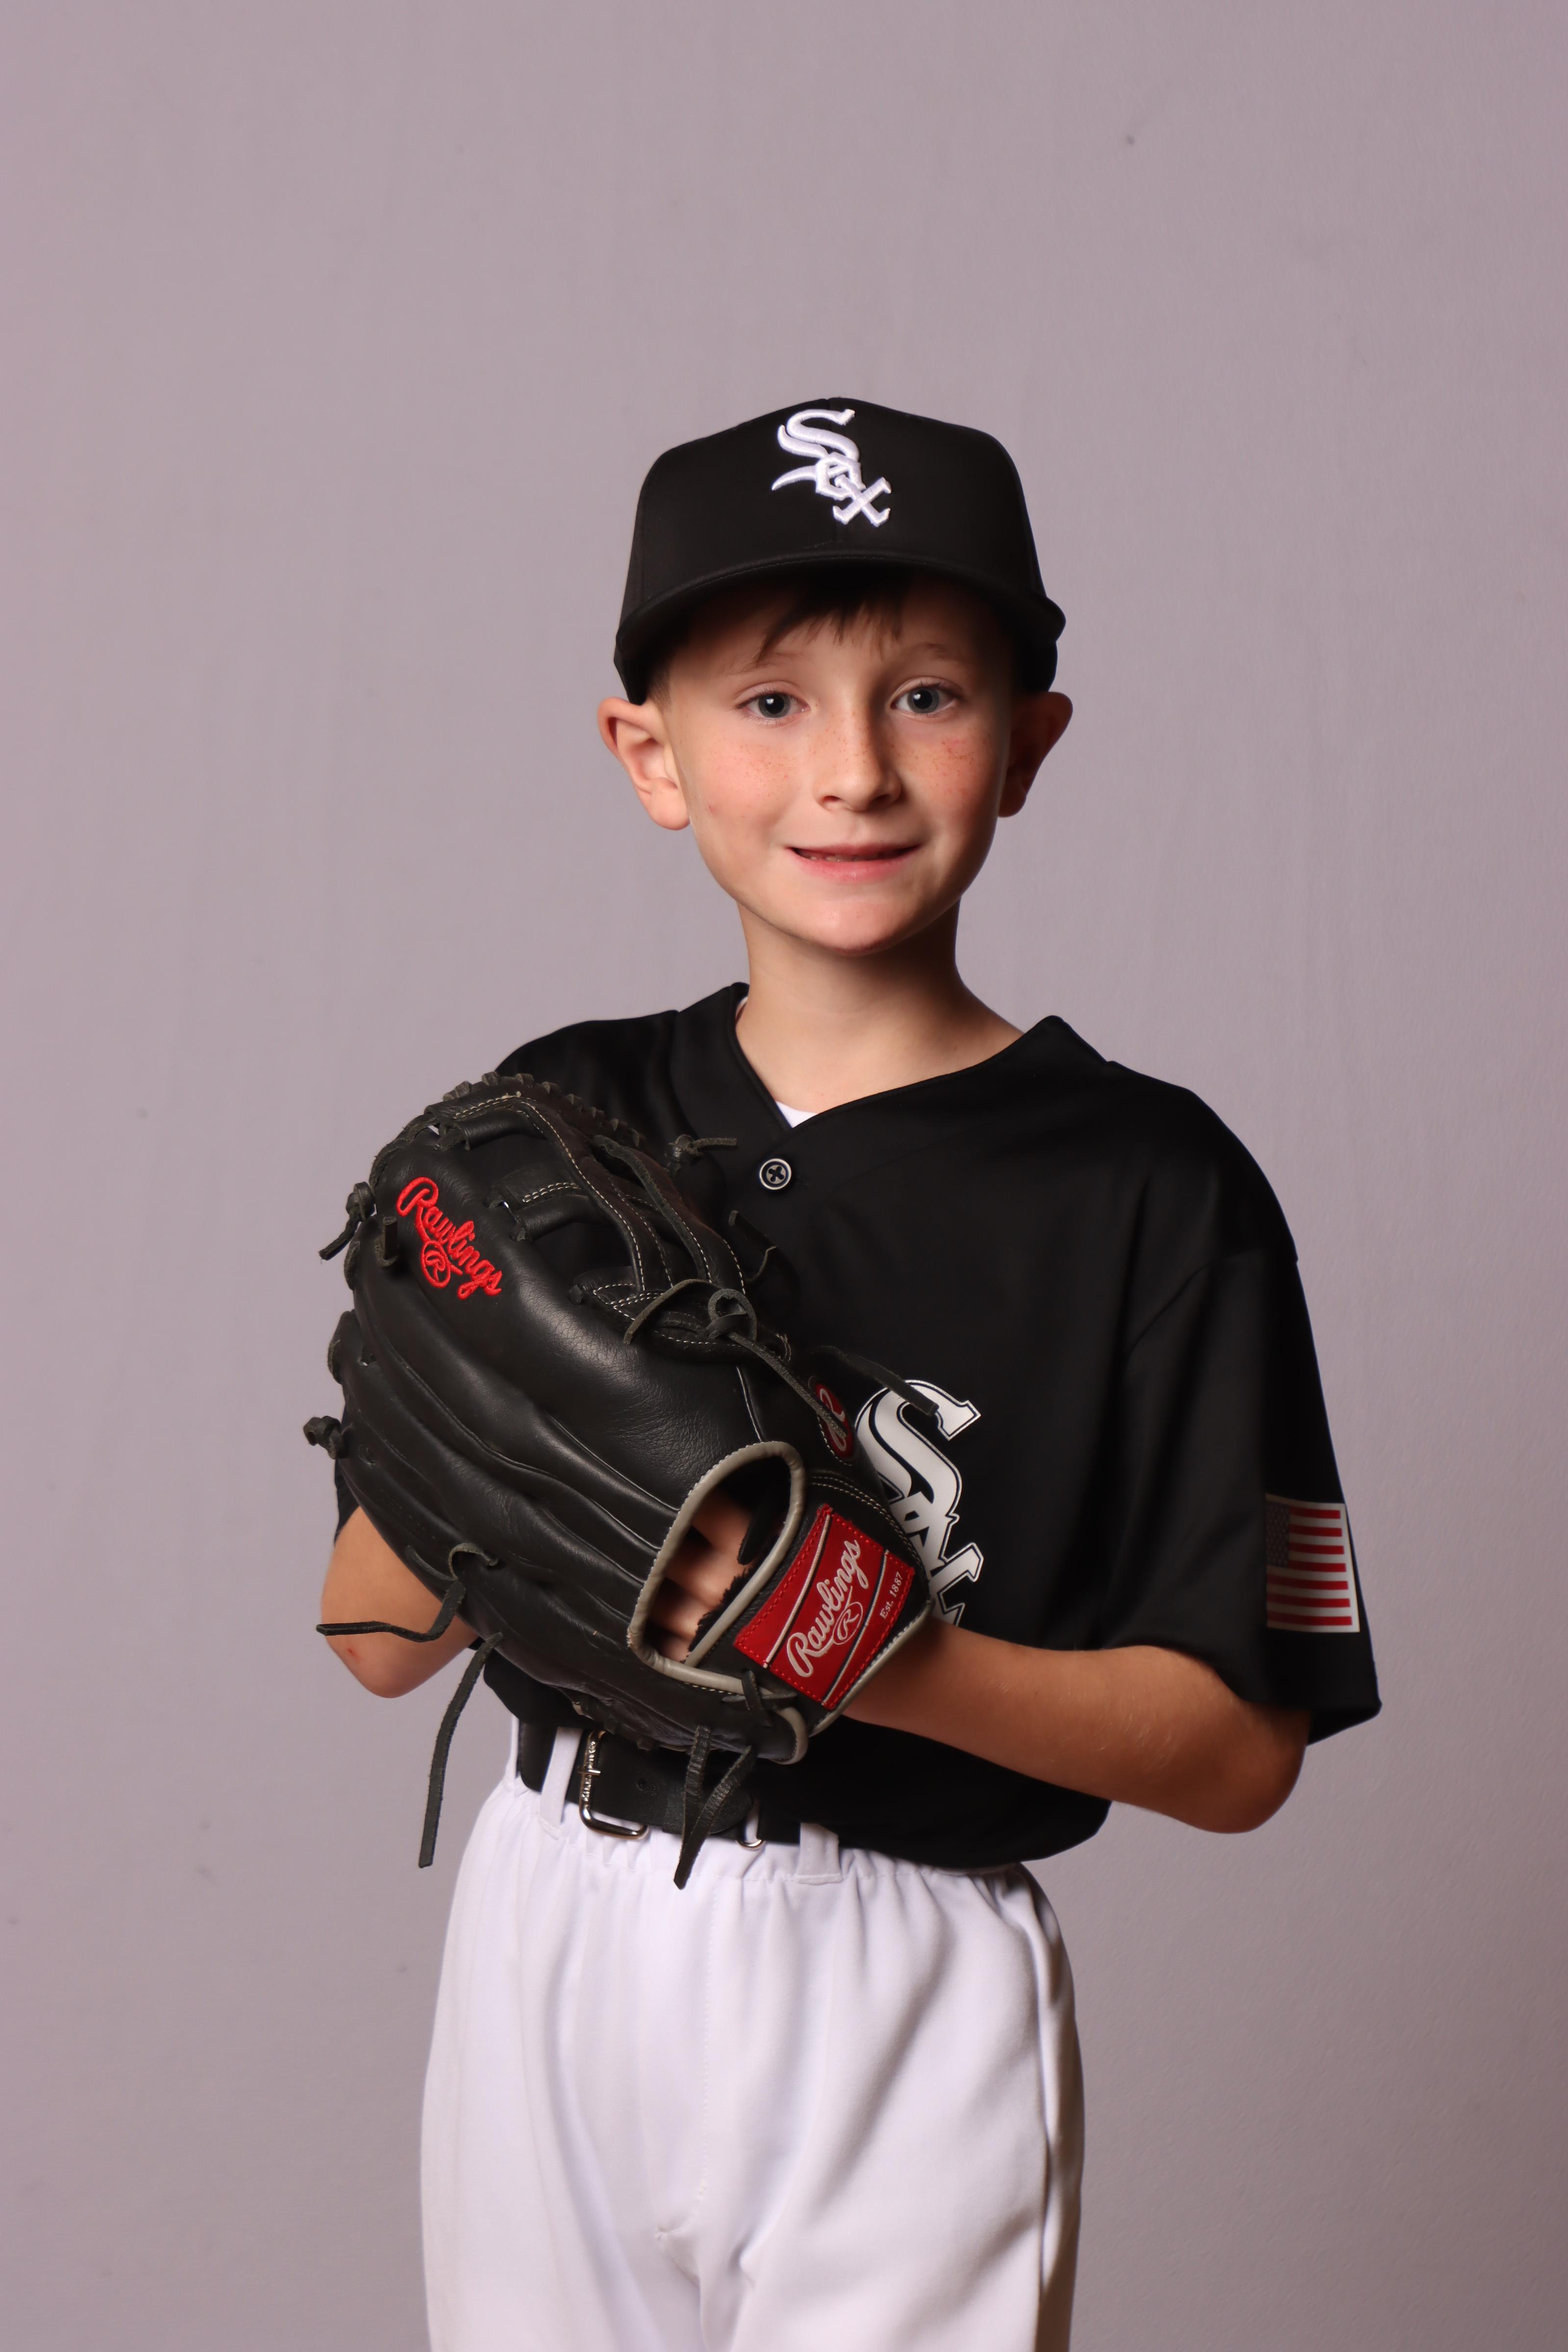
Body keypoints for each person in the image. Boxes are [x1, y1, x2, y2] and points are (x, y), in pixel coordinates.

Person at [318, 398, 1381, 2352]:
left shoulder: (1148, 1187)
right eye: (770, 701)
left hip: (896, 1964)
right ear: (650, 754)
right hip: (554, 1901)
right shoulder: (558, 1121)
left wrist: (846, 1643)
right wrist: (487, 1444)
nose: (854, 771)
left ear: (1028, 742)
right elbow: (376, 1644)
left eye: (925, 696)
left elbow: (1239, 1754)